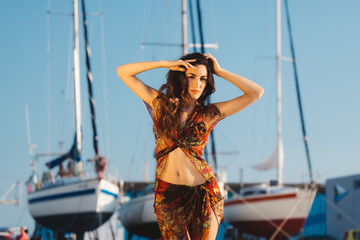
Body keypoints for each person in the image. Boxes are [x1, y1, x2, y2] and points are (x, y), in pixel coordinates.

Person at [117, 53, 263, 240]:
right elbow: (123, 73)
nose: (198, 84)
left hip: (204, 191)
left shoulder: (208, 113)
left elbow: (256, 92)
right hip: (168, 196)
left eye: (203, 79)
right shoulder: (160, 105)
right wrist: (163, 63)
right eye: (192, 77)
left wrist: (220, 71)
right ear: (180, 77)